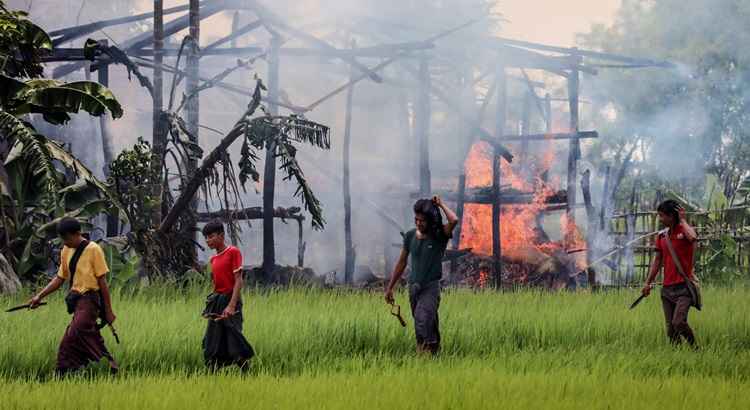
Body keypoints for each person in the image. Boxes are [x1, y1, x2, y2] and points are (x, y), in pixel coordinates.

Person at [28, 217, 118, 375]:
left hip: (90, 300)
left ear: (77, 234)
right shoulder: (66, 250)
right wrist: (39, 296)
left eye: (67, 238)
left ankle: (72, 368)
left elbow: (103, 283)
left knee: (75, 332)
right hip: (76, 301)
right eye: (62, 239)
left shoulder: (93, 249)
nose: (65, 242)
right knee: (72, 337)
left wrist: (108, 311)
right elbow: (59, 278)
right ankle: (69, 370)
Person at [384, 196, 458, 355]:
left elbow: (454, 220)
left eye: (422, 220)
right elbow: (401, 262)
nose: (418, 223)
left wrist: (442, 204)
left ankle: (422, 355)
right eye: (416, 219)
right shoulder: (410, 236)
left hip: (430, 288)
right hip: (413, 288)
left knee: (422, 320)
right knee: (426, 322)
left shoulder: (439, 235)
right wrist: (390, 288)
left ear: (430, 221)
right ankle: (434, 353)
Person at [641, 200, 699, 347]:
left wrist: (683, 219)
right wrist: (648, 283)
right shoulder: (661, 237)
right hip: (667, 289)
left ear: (671, 216)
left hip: (683, 288)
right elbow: (657, 262)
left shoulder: (684, 232)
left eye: (661, 215)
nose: (660, 219)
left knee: (678, 322)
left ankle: (696, 349)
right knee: (671, 330)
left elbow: (693, 237)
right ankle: (678, 356)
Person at [201, 220, 254, 370]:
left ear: (221, 235)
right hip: (218, 301)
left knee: (234, 342)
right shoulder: (213, 259)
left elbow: (238, 280)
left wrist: (231, 305)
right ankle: (213, 381)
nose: (207, 240)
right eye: (206, 237)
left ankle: (248, 375)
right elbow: (217, 285)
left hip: (231, 300)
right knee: (213, 342)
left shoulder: (233, 252)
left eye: (211, 236)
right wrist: (210, 306)